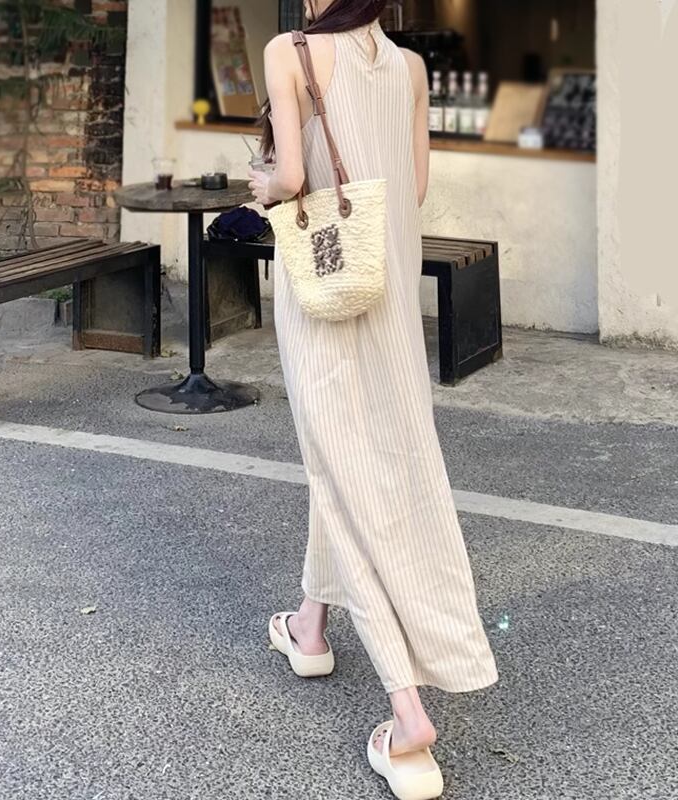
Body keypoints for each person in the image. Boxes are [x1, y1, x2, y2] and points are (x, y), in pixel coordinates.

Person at [248, 1, 498, 797]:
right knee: (361, 460)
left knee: (342, 469)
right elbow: (412, 188)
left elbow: (291, 179)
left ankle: (407, 710)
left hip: (324, 289)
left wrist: (259, 184)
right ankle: (309, 627)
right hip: (387, 291)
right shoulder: (411, 68)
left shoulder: (289, 51)